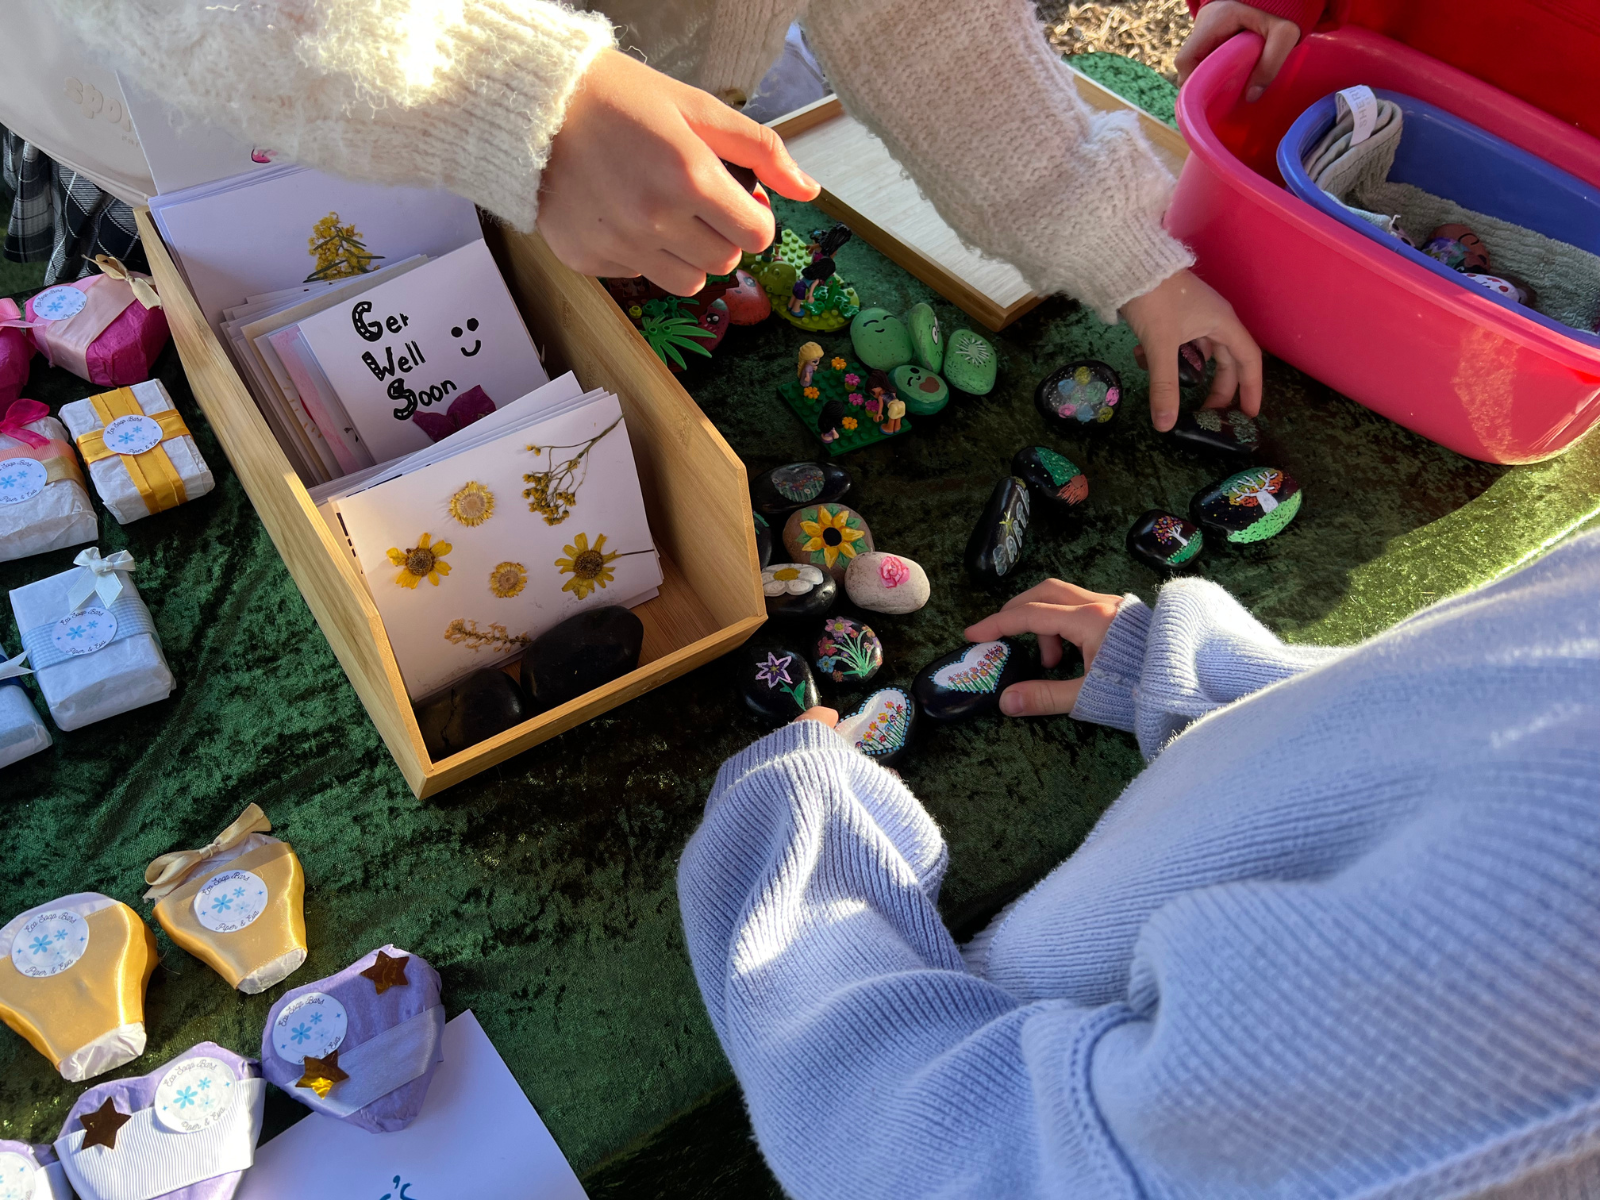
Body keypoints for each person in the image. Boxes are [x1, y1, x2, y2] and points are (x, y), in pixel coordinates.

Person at [677, 528, 1600, 1199]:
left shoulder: (1546, 999)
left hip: (994, 1046)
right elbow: (1482, 701)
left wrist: (792, 869)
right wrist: (1219, 686)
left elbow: (953, 1165)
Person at [51, 0, 1312, 430]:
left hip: (594, 79)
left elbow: (924, 25)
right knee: (317, 280)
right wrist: (517, 102)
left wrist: (1114, 242)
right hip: (238, 73)